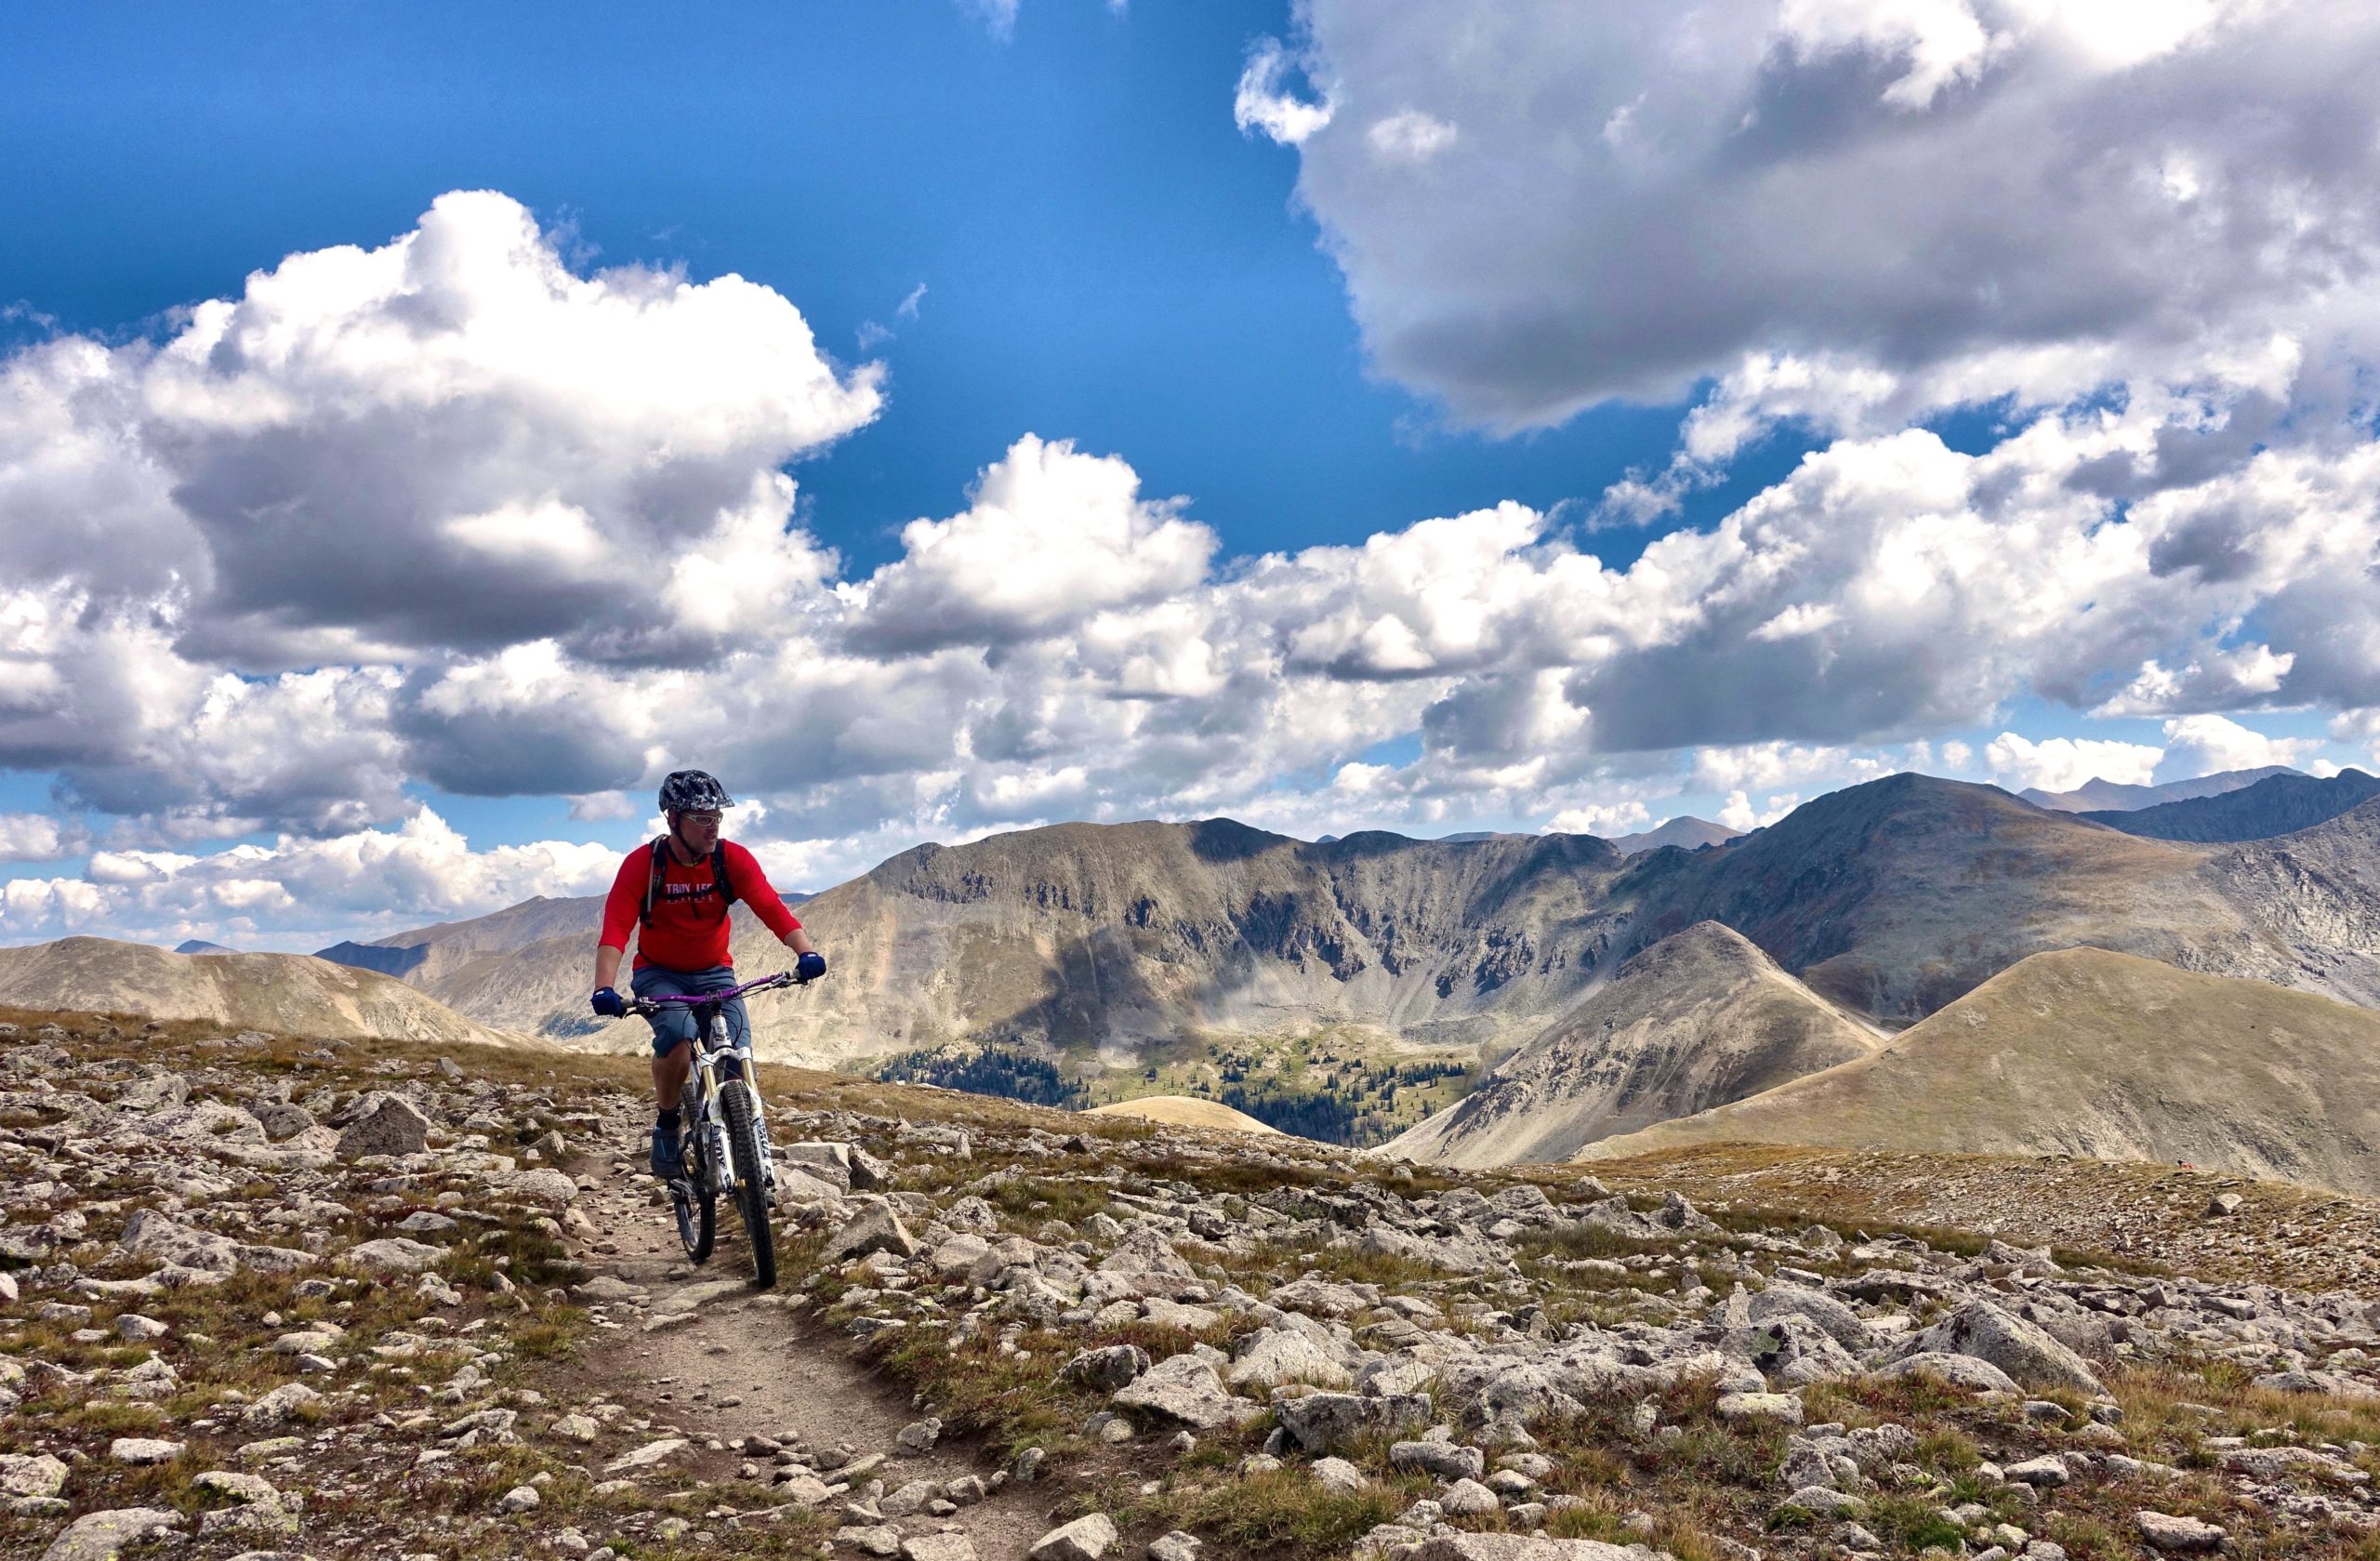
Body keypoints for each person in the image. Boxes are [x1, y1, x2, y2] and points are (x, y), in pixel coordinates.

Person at [589, 770, 825, 1179]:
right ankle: (666, 1125)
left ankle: (744, 1147)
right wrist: (604, 988)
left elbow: (770, 907)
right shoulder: (643, 866)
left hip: (715, 973)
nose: (712, 826)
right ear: (672, 818)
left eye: (716, 817)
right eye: (701, 818)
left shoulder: (730, 859)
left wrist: (806, 952)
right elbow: (615, 931)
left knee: (734, 1050)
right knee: (678, 1039)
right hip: (659, 975)